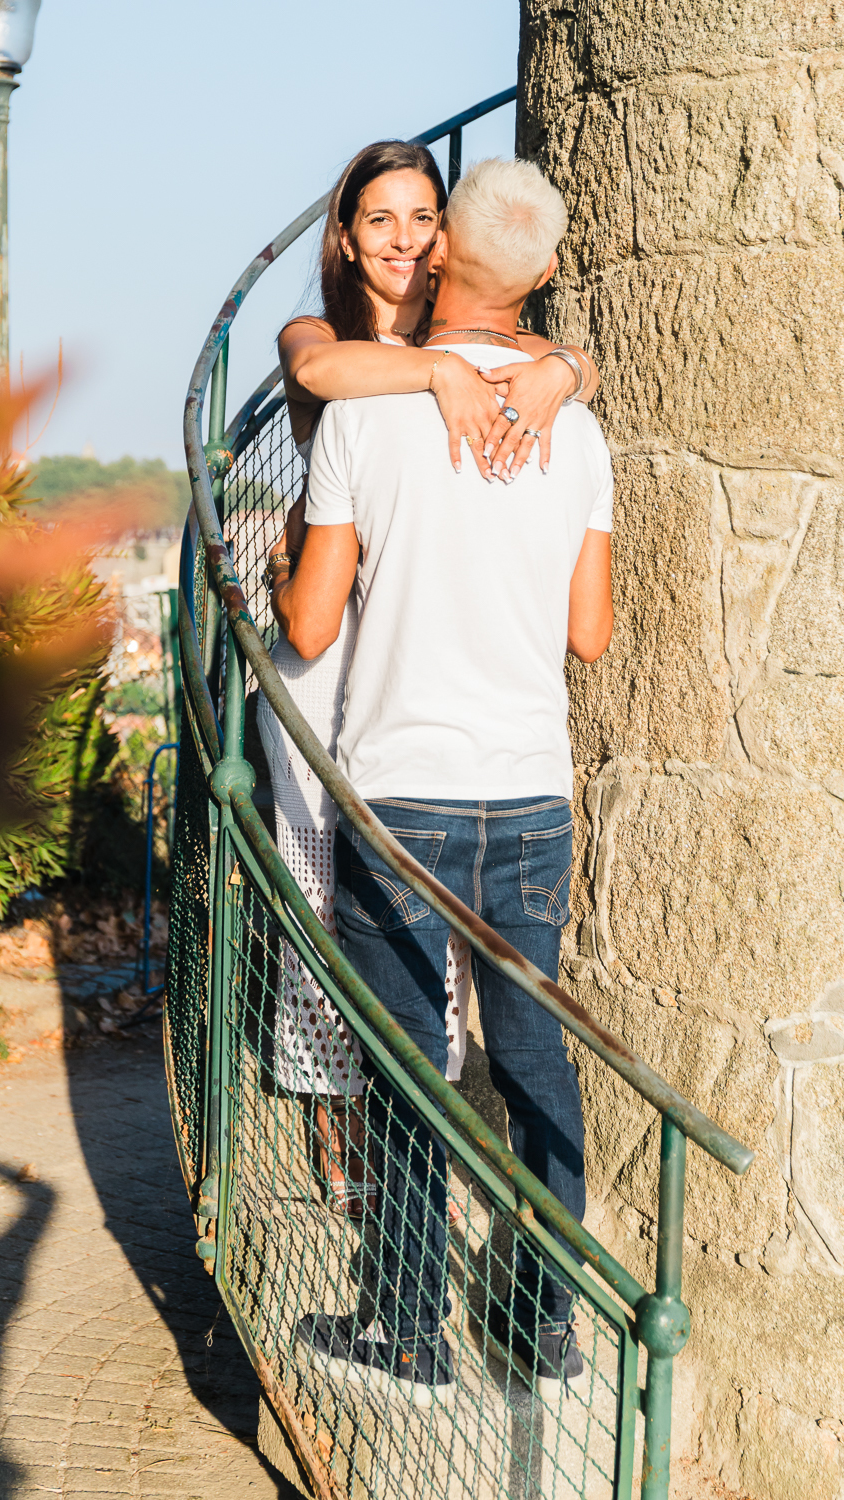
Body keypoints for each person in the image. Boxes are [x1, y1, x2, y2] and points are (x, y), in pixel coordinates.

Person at [269, 157, 613, 1405]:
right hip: (528, 795)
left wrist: (278, 584)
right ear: (546, 276)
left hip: (399, 793)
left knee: (409, 1063)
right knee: (533, 1057)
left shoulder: (367, 417)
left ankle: (407, 1334)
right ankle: (540, 1336)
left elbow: (310, 626)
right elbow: (591, 633)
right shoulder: (578, 431)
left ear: (445, 255)